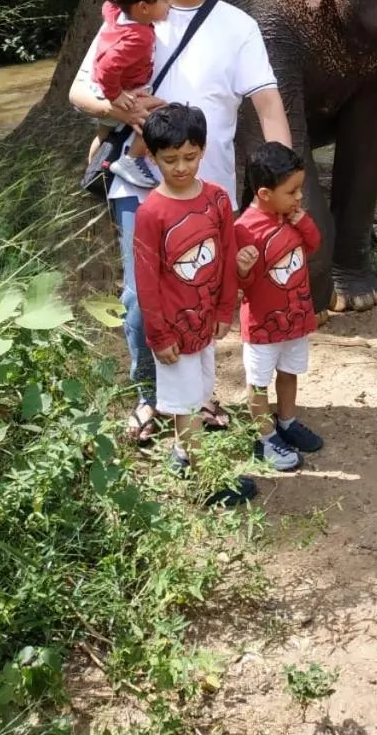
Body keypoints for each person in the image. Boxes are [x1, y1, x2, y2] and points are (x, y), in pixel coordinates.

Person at [68, 0, 292, 445]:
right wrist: (124, 111)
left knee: (203, 291)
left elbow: (268, 103)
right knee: (140, 297)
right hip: (139, 183)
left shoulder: (237, 26)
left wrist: (282, 177)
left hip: (208, 187)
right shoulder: (134, 13)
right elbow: (80, 93)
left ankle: (200, 394)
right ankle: (149, 396)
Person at [133, 102, 256, 505]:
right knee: (185, 404)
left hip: (205, 322)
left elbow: (227, 255)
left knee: (200, 390)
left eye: (190, 156)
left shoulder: (217, 199)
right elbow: (146, 281)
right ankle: (207, 483)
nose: (182, 167)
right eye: (170, 160)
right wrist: (159, 334)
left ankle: (183, 453)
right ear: (152, 157)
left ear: (203, 150)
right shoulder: (151, 213)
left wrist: (224, 309)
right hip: (174, 329)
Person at [235, 141, 324, 473]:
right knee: (259, 382)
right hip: (263, 327)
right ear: (264, 193)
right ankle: (265, 436)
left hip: (296, 320)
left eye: (299, 189)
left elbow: (313, 244)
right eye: (292, 191)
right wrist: (242, 268)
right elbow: (241, 285)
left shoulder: (291, 218)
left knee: (289, 373)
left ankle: (287, 420)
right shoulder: (244, 229)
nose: (299, 197)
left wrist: (302, 221)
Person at [88, 0, 173, 188]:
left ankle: (93, 172)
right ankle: (131, 159)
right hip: (116, 88)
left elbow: (108, 5)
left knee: (104, 132)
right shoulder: (139, 37)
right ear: (143, 8)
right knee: (158, 111)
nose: (170, 3)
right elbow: (107, 67)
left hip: (99, 86)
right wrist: (115, 95)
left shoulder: (116, 13)